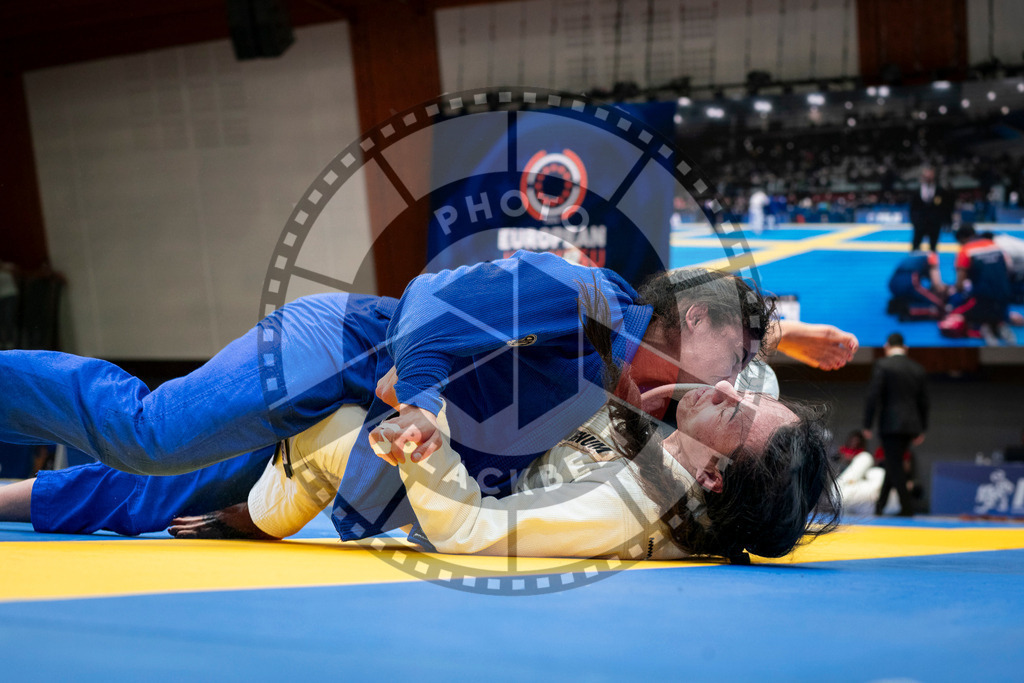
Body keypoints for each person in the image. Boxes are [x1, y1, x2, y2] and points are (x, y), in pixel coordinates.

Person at [0, 252, 856, 542]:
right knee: (150, 436)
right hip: (330, 355)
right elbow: (427, 307)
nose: (731, 381)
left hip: (348, 434)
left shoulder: (654, 396)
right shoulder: (580, 295)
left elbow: (746, 429)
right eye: (737, 356)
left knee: (181, 496)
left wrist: (785, 334)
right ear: (692, 318)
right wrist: (421, 401)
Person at [0, 377, 839, 561]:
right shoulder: (685, 461)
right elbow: (746, 381)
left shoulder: (621, 505)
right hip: (412, 445)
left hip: (387, 469)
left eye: (734, 409)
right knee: (184, 462)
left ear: (716, 477)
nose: (730, 389)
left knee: (174, 447)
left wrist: (423, 437)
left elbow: (469, 528)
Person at [862, 332, 928, 516]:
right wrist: (922, 428)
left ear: (886, 347)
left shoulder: (883, 365)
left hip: (890, 424)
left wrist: (867, 424)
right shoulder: (917, 368)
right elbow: (924, 402)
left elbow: (873, 396)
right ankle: (880, 506)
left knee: (894, 464)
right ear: (905, 348)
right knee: (894, 462)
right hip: (911, 425)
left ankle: (907, 508)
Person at [952, 224, 1015, 345]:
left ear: (962, 239)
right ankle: (999, 322)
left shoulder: (965, 250)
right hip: (1005, 298)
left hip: (982, 300)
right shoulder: (995, 245)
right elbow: (1009, 272)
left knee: (955, 305)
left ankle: (984, 325)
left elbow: (959, 285)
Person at [886, 250, 947, 320]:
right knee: (929, 299)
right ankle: (910, 311)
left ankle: (900, 306)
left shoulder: (915, 256)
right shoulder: (932, 257)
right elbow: (936, 284)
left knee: (913, 296)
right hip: (908, 281)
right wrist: (940, 303)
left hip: (893, 283)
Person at [909, 167, 953, 252]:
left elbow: (945, 206)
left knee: (933, 246)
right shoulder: (916, 190)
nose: (928, 177)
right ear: (923, 176)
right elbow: (912, 207)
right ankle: (914, 262)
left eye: (930, 175)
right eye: (926, 176)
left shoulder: (940, 190)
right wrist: (914, 220)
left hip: (934, 223)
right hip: (919, 223)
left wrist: (945, 220)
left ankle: (932, 262)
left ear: (934, 176)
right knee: (916, 244)